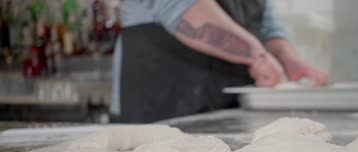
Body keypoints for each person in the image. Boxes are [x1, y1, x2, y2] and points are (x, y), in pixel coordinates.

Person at [111, 0, 328, 123]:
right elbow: (182, 10)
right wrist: (257, 57)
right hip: (161, 105)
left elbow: (267, 25)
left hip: (223, 107)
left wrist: (288, 59)